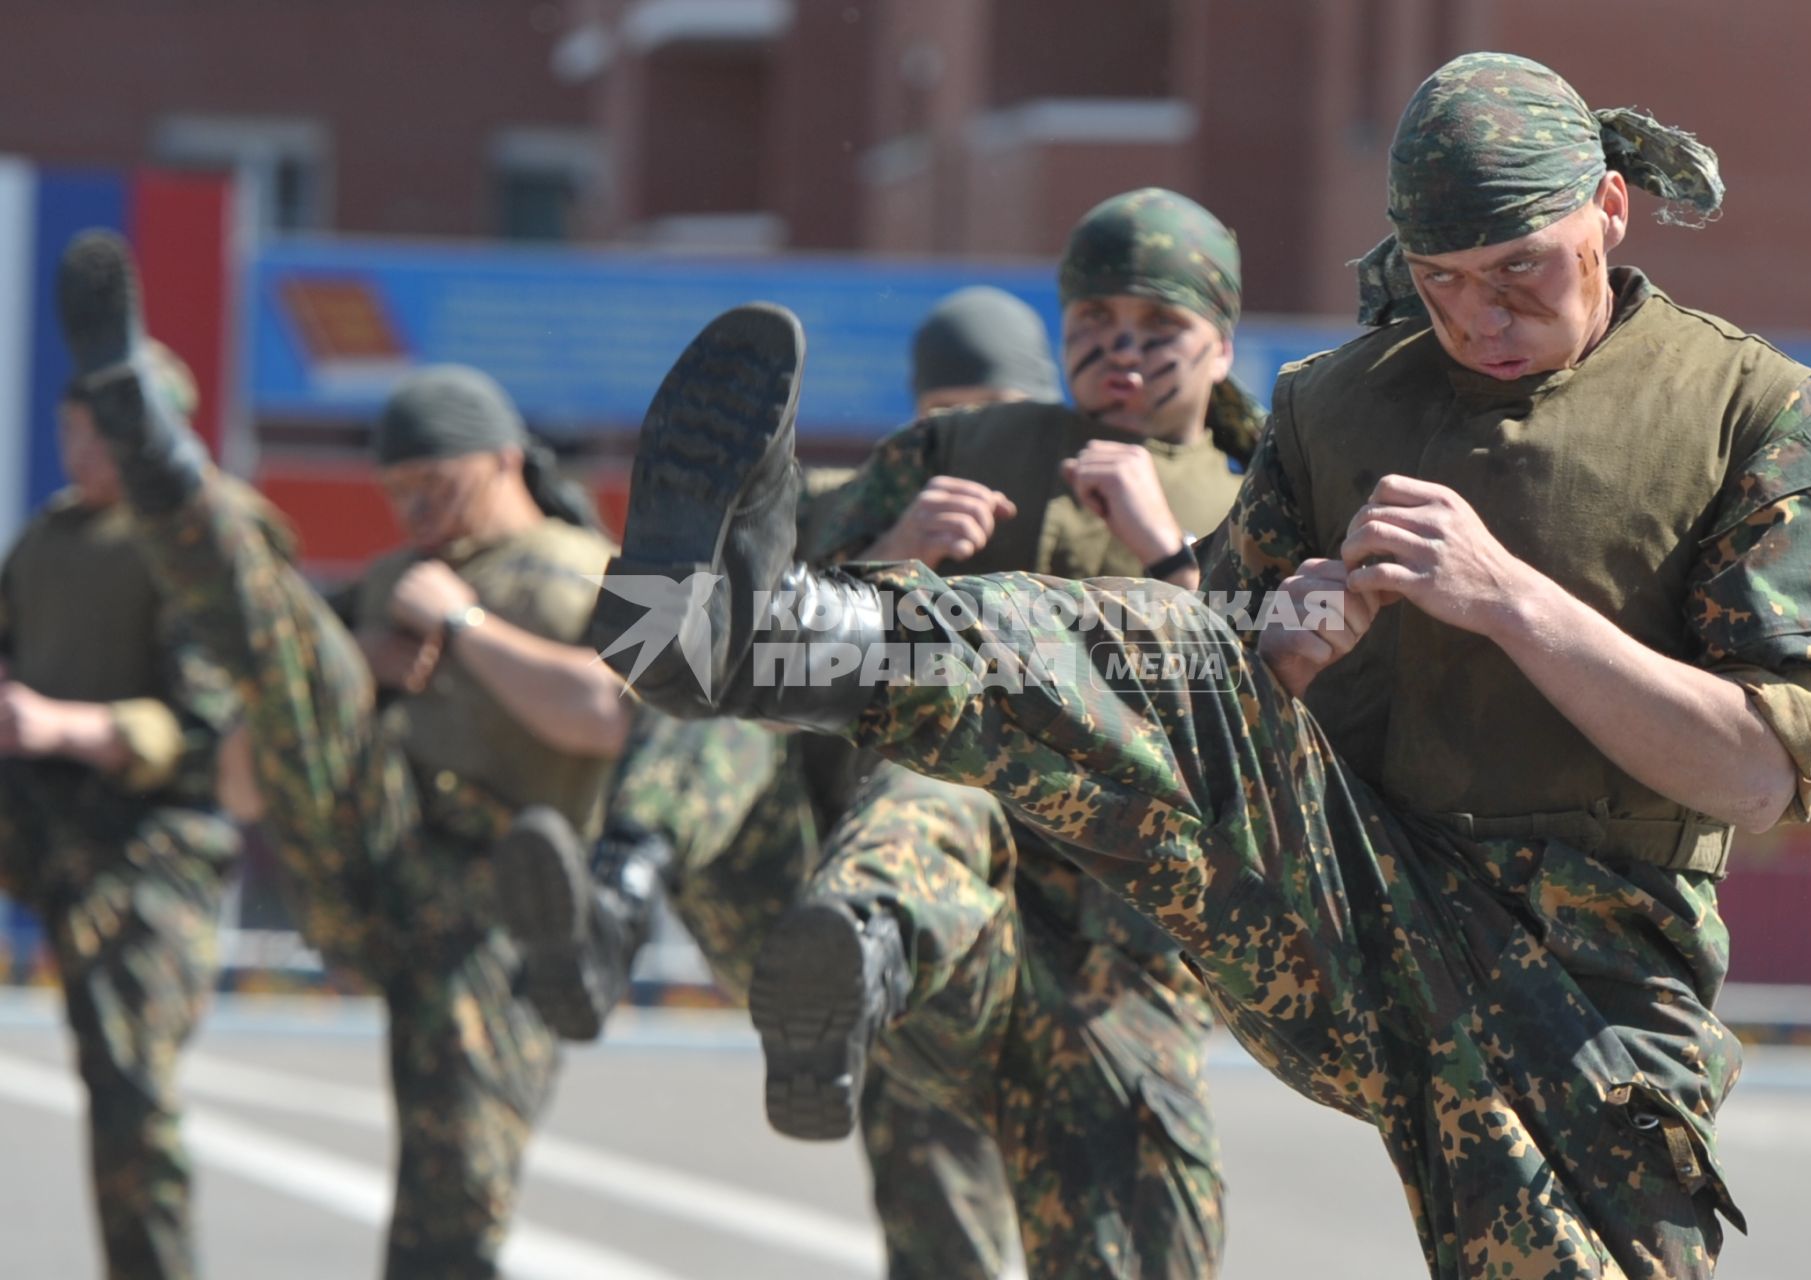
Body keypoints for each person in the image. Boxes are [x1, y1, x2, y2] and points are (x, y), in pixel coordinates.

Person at [589, 55, 1811, 1280]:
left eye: (1519, 273)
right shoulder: (1335, 404)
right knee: (1179, 655)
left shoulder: (1749, 410)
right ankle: (772, 638)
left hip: (1591, 969)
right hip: (1344, 892)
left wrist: (1511, 600)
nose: (1479, 317)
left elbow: (1755, 771)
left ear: (1611, 210)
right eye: (1439, 279)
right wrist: (1284, 653)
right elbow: (1187, 668)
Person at [605, 189, 1254, 1278]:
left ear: (1222, 340)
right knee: (941, 761)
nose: (1122, 349)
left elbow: (1276, 704)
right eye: (1094, 321)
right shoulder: (971, 443)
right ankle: (848, 946)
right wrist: (896, 547)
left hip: (1124, 949)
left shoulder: (1262, 489)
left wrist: (1167, 551)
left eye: (1159, 326)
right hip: (938, 921)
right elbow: (805, 608)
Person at [55, 231, 637, 1278]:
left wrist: (463, 627)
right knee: (281, 627)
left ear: (504, 458)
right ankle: (169, 467)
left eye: (438, 484)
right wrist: (349, 670)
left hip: (508, 913)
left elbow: (606, 716)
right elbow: (243, 776)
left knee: (446, 1214)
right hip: (377, 868)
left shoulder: (584, 567)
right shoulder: (384, 583)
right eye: (399, 489)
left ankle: (166, 463)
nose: (414, 512)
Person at [501, 283, 1070, 1279]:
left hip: (977, 916)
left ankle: (839, 940)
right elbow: (713, 673)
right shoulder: (850, 506)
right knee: (717, 686)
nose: (968, 437)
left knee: (945, 1224)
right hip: (812, 926)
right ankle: (613, 903)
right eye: (944, 416)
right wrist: (888, 564)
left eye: (993, 413)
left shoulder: (1085, 517)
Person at [0, 346, 254, 1280]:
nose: (79, 450)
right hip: (42, 814)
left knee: (130, 1087)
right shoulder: (54, 535)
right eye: (69, 428)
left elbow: (206, 730)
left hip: (152, 843)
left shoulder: (197, 542)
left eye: (100, 433)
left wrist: (69, 725)